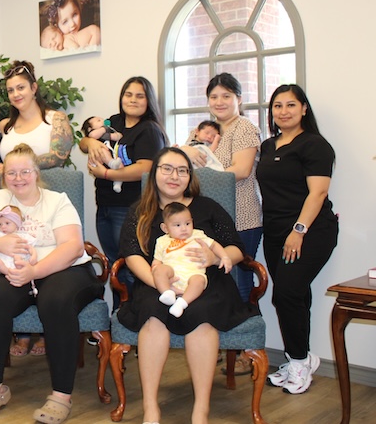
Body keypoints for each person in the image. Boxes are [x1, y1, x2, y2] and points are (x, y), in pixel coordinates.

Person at [117, 147, 258, 424]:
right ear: (154, 172)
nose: (174, 176)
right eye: (167, 168)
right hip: (157, 280)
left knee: (203, 315)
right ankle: (150, 409)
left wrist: (215, 256)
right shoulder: (140, 211)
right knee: (152, 313)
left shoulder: (208, 207)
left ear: (190, 176)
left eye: (182, 170)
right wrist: (160, 285)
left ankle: (200, 411)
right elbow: (132, 255)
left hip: (206, 281)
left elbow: (237, 248)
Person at [0, 144, 102, 423]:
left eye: (25, 171)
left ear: (36, 172)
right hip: (19, 270)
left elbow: (73, 247)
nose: (18, 178)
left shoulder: (57, 200)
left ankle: (61, 396)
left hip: (63, 270)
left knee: (54, 300)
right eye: (11, 173)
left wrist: (36, 271)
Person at [0, 60, 74, 357]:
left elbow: (59, 155)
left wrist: (15, 167)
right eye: (10, 90)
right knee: (13, 257)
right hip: (9, 204)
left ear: (33, 88)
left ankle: (44, 332)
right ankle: (23, 334)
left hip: (46, 202)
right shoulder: (4, 126)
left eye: (21, 87)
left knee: (42, 258)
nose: (16, 94)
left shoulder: (55, 118)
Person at [179, 73, 263, 376]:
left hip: (243, 217)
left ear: (239, 99)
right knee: (212, 282)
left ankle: (245, 351)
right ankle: (219, 344)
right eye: (214, 97)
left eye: (226, 95)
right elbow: (181, 163)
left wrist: (202, 171)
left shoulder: (245, 128)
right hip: (210, 220)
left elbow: (240, 171)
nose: (220, 102)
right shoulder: (203, 131)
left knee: (241, 284)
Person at [256, 84, 338, 395]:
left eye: (291, 105)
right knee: (296, 295)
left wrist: (299, 231)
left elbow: (318, 192)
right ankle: (298, 359)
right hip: (275, 231)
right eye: (278, 106)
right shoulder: (268, 146)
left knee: (286, 294)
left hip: (310, 231)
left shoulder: (315, 145)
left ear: (304, 108)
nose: (284, 111)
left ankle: (300, 360)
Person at [79, 76, 168, 311]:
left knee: (131, 266)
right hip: (106, 205)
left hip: (132, 208)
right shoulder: (114, 121)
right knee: (115, 264)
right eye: (128, 94)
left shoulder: (149, 130)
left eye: (140, 95)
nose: (133, 100)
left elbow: (145, 168)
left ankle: (134, 321)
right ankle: (120, 319)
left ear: (149, 101)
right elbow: (84, 141)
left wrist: (107, 175)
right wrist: (91, 142)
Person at [153, 202, 233, 318]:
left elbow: (214, 245)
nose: (184, 228)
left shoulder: (197, 235)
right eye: (177, 225)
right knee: (159, 270)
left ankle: (181, 303)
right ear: (165, 228)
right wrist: (156, 270)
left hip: (193, 275)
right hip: (172, 276)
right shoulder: (162, 241)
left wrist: (224, 257)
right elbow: (157, 261)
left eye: (187, 223)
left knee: (199, 280)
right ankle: (167, 293)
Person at [0, 205, 39, 296]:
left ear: (17, 223)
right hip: (5, 263)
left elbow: (30, 248)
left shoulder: (22, 236)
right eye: (0, 224)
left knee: (18, 258)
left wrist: (34, 256)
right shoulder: (0, 235)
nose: (3, 227)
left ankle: (17, 270)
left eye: (7, 223)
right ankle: (8, 272)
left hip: (20, 262)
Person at [82, 115, 123, 193]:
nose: (102, 120)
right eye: (98, 120)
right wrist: (104, 128)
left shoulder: (109, 130)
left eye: (101, 119)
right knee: (103, 150)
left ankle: (117, 183)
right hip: (101, 160)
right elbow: (92, 135)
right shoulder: (95, 133)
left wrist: (112, 135)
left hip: (113, 158)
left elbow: (119, 136)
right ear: (90, 128)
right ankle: (112, 163)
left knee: (120, 166)